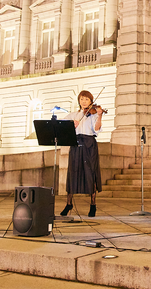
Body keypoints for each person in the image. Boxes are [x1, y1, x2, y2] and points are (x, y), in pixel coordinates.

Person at [60, 90, 104, 218]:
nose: (84, 101)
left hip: (89, 144)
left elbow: (97, 129)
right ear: (79, 101)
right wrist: (71, 125)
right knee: (72, 173)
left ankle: (93, 205)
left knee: (91, 173)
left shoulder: (94, 114)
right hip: (76, 143)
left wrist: (100, 116)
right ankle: (69, 203)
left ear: (91, 101)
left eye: (87, 99)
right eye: (82, 99)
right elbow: (62, 127)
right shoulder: (73, 115)